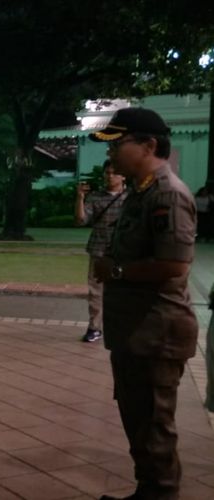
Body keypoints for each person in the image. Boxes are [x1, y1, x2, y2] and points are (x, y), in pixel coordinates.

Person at [91, 108, 197, 500]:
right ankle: (147, 492)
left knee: (153, 428)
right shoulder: (143, 191)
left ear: (149, 145)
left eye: (118, 145)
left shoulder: (167, 194)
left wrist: (114, 271)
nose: (111, 155)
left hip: (157, 333)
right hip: (138, 332)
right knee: (139, 423)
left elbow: (174, 264)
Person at [74, 160, 126, 343]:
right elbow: (81, 220)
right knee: (96, 291)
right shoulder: (95, 197)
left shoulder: (132, 197)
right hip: (98, 249)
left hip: (124, 252)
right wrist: (80, 198)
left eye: (114, 172)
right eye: (107, 173)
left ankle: (120, 326)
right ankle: (94, 327)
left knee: (122, 291)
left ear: (123, 175)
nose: (110, 176)